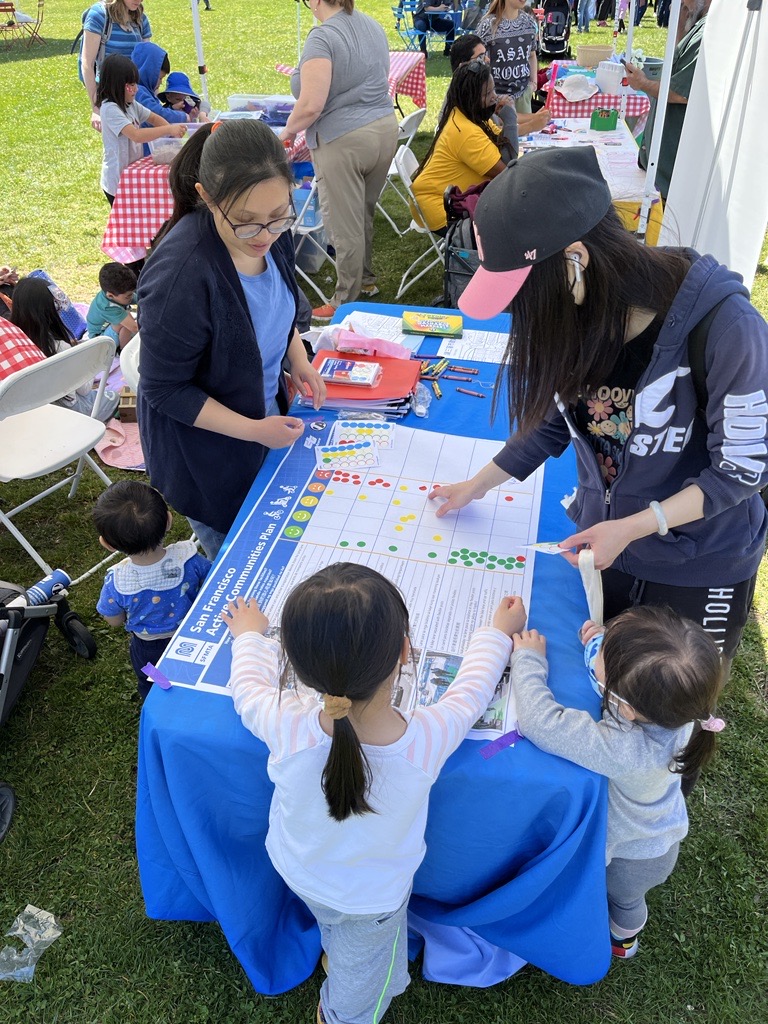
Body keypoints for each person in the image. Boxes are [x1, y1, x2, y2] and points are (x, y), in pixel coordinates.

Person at [429, 146, 768, 685]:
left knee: (672, 707)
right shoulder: (582, 312)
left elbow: (743, 469)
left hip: (697, 562)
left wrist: (636, 527)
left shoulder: (725, 327)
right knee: (609, 686)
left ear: (575, 260)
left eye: (526, 296)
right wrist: (479, 484)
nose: (524, 316)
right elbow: (554, 418)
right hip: (609, 547)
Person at [223, 563, 526, 1024]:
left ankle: (334, 954)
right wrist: (496, 635)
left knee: (336, 931)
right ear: (406, 652)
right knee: (363, 984)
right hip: (371, 905)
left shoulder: (285, 720)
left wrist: (248, 636)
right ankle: (340, 1015)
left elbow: (247, 688)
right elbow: (470, 692)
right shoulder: (425, 737)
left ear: (294, 662)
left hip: (296, 867)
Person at [137, 120, 326, 561]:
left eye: (279, 215)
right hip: (209, 458)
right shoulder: (180, 276)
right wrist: (253, 430)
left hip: (265, 425)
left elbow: (282, 314)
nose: (264, 235)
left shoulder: (270, 233)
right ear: (206, 197)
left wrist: (296, 359)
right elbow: (165, 389)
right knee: (245, 562)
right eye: (245, 223)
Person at [510, 605, 723, 958]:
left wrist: (528, 660)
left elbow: (541, 723)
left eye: (603, 659)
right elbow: (636, 675)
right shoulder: (681, 707)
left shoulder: (624, 749)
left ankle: (623, 941)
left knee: (623, 902)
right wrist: (601, 641)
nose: (599, 652)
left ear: (626, 709)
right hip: (660, 835)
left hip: (631, 860)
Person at [281, 0, 398, 320]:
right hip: (384, 128)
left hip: (344, 138)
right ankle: (366, 281)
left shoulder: (322, 37)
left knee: (344, 225)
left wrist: (288, 131)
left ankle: (345, 299)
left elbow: (310, 106)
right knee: (363, 213)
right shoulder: (372, 25)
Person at [93, 481, 211, 699]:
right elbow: (212, 579)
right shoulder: (188, 559)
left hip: (149, 648)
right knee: (195, 668)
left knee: (153, 678)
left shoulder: (116, 581)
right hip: (192, 633)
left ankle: (161, 696)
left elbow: (114, 620)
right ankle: (193, 691)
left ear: (107, 544)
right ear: (168, 521)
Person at [411, 60, 517, 234]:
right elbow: (507, 172)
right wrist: (510, 119)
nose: (494, 97)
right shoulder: (466, 131)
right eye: (487, 93)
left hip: (449, 199)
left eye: (493, 90)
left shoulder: (467, 114)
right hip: (441, 207)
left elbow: (501, 141)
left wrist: (502, 119)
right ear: (470, 96)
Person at [624, 0, 711, 200]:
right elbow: (676, 59)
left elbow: (681, 93)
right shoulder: (695, 27)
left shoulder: (706, 33)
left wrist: (643, 83)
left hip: (675, 169)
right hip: (663, 167)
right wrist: (681, 20)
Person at [8, 277, 119, 420]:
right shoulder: (60, 348)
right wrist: (88, 358)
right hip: (69, 413)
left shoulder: (14, 340)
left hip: (31, 413)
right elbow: (84, 390)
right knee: (113, 396)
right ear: (50, 310)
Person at [96, 54, 186, 206]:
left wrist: (171, 137)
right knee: (125, 219)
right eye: (131, 85)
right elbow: (136, 135)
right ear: (116, 85)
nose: (135, 90)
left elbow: (154, 118)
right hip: (116, 179)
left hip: (131, 173)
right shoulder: (110, 109)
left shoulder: (131, 104)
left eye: (135, 84)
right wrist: (168, 129)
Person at [80, 0, 152, 133]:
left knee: (139, 149)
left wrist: (154, 99)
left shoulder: (141, 19)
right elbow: (87, 64)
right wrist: (96, 108)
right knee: (119, 149)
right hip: (110, 97)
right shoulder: (99, 15)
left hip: (136, 97)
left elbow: (147, 64)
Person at [477, 0, 538, 113]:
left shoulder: (528, 22)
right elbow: (478, 62)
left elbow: (532, 54)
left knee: (525, 130)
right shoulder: (488, 25)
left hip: (522, 96)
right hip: (496, 100)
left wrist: (533, 83)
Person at [86, 262, 138, 349]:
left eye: (132, 293)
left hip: (110, 327)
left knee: (127, 318)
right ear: (110, 295)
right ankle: (124, 351)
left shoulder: (117, 293)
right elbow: (134, 327)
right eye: (128, 296)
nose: (132, 296)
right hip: (100, 340)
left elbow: (140, 300)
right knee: (126, 323)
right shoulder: (106, 306)